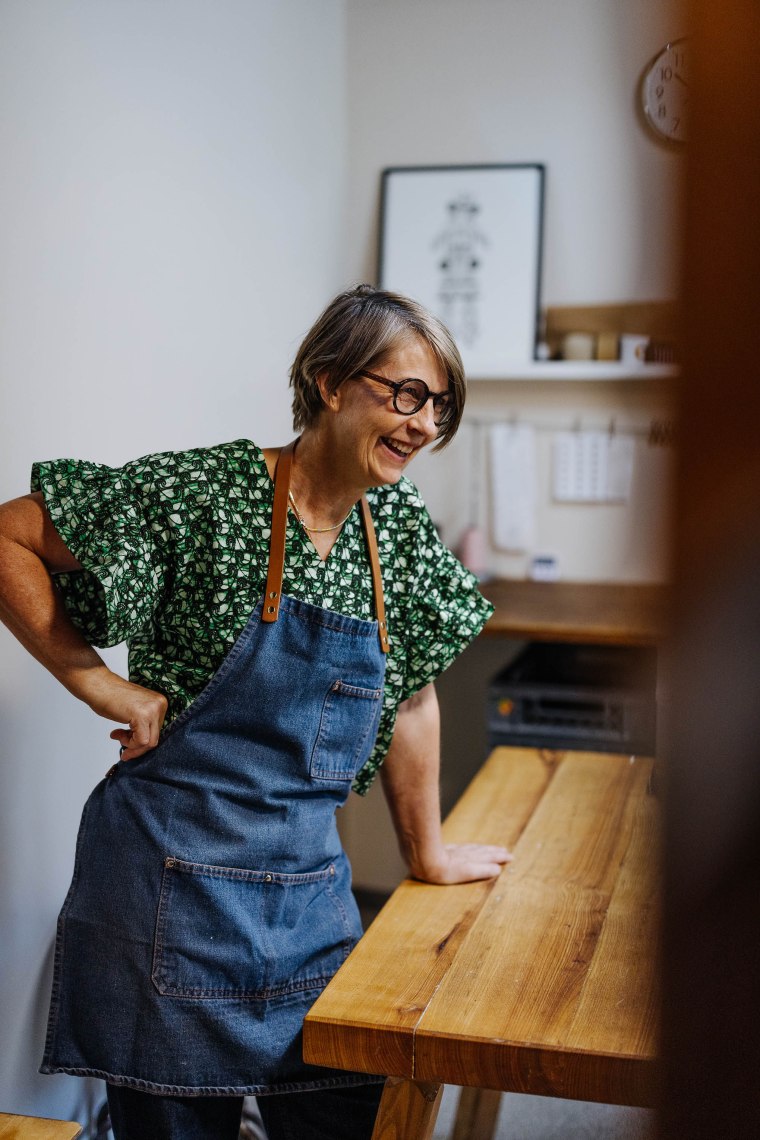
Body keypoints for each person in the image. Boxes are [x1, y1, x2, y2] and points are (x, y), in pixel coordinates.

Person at [0, 284, 511, 1140]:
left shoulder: (396, 530)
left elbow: (413, 690)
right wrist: (97, 682)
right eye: (407, 393)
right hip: (168, 895)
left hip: (306, 896)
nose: (425, 424)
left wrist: (426, 852)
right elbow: (12, 535)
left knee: (351, 1108)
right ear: (328, 382)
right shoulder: (205, 494)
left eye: (441, 406)